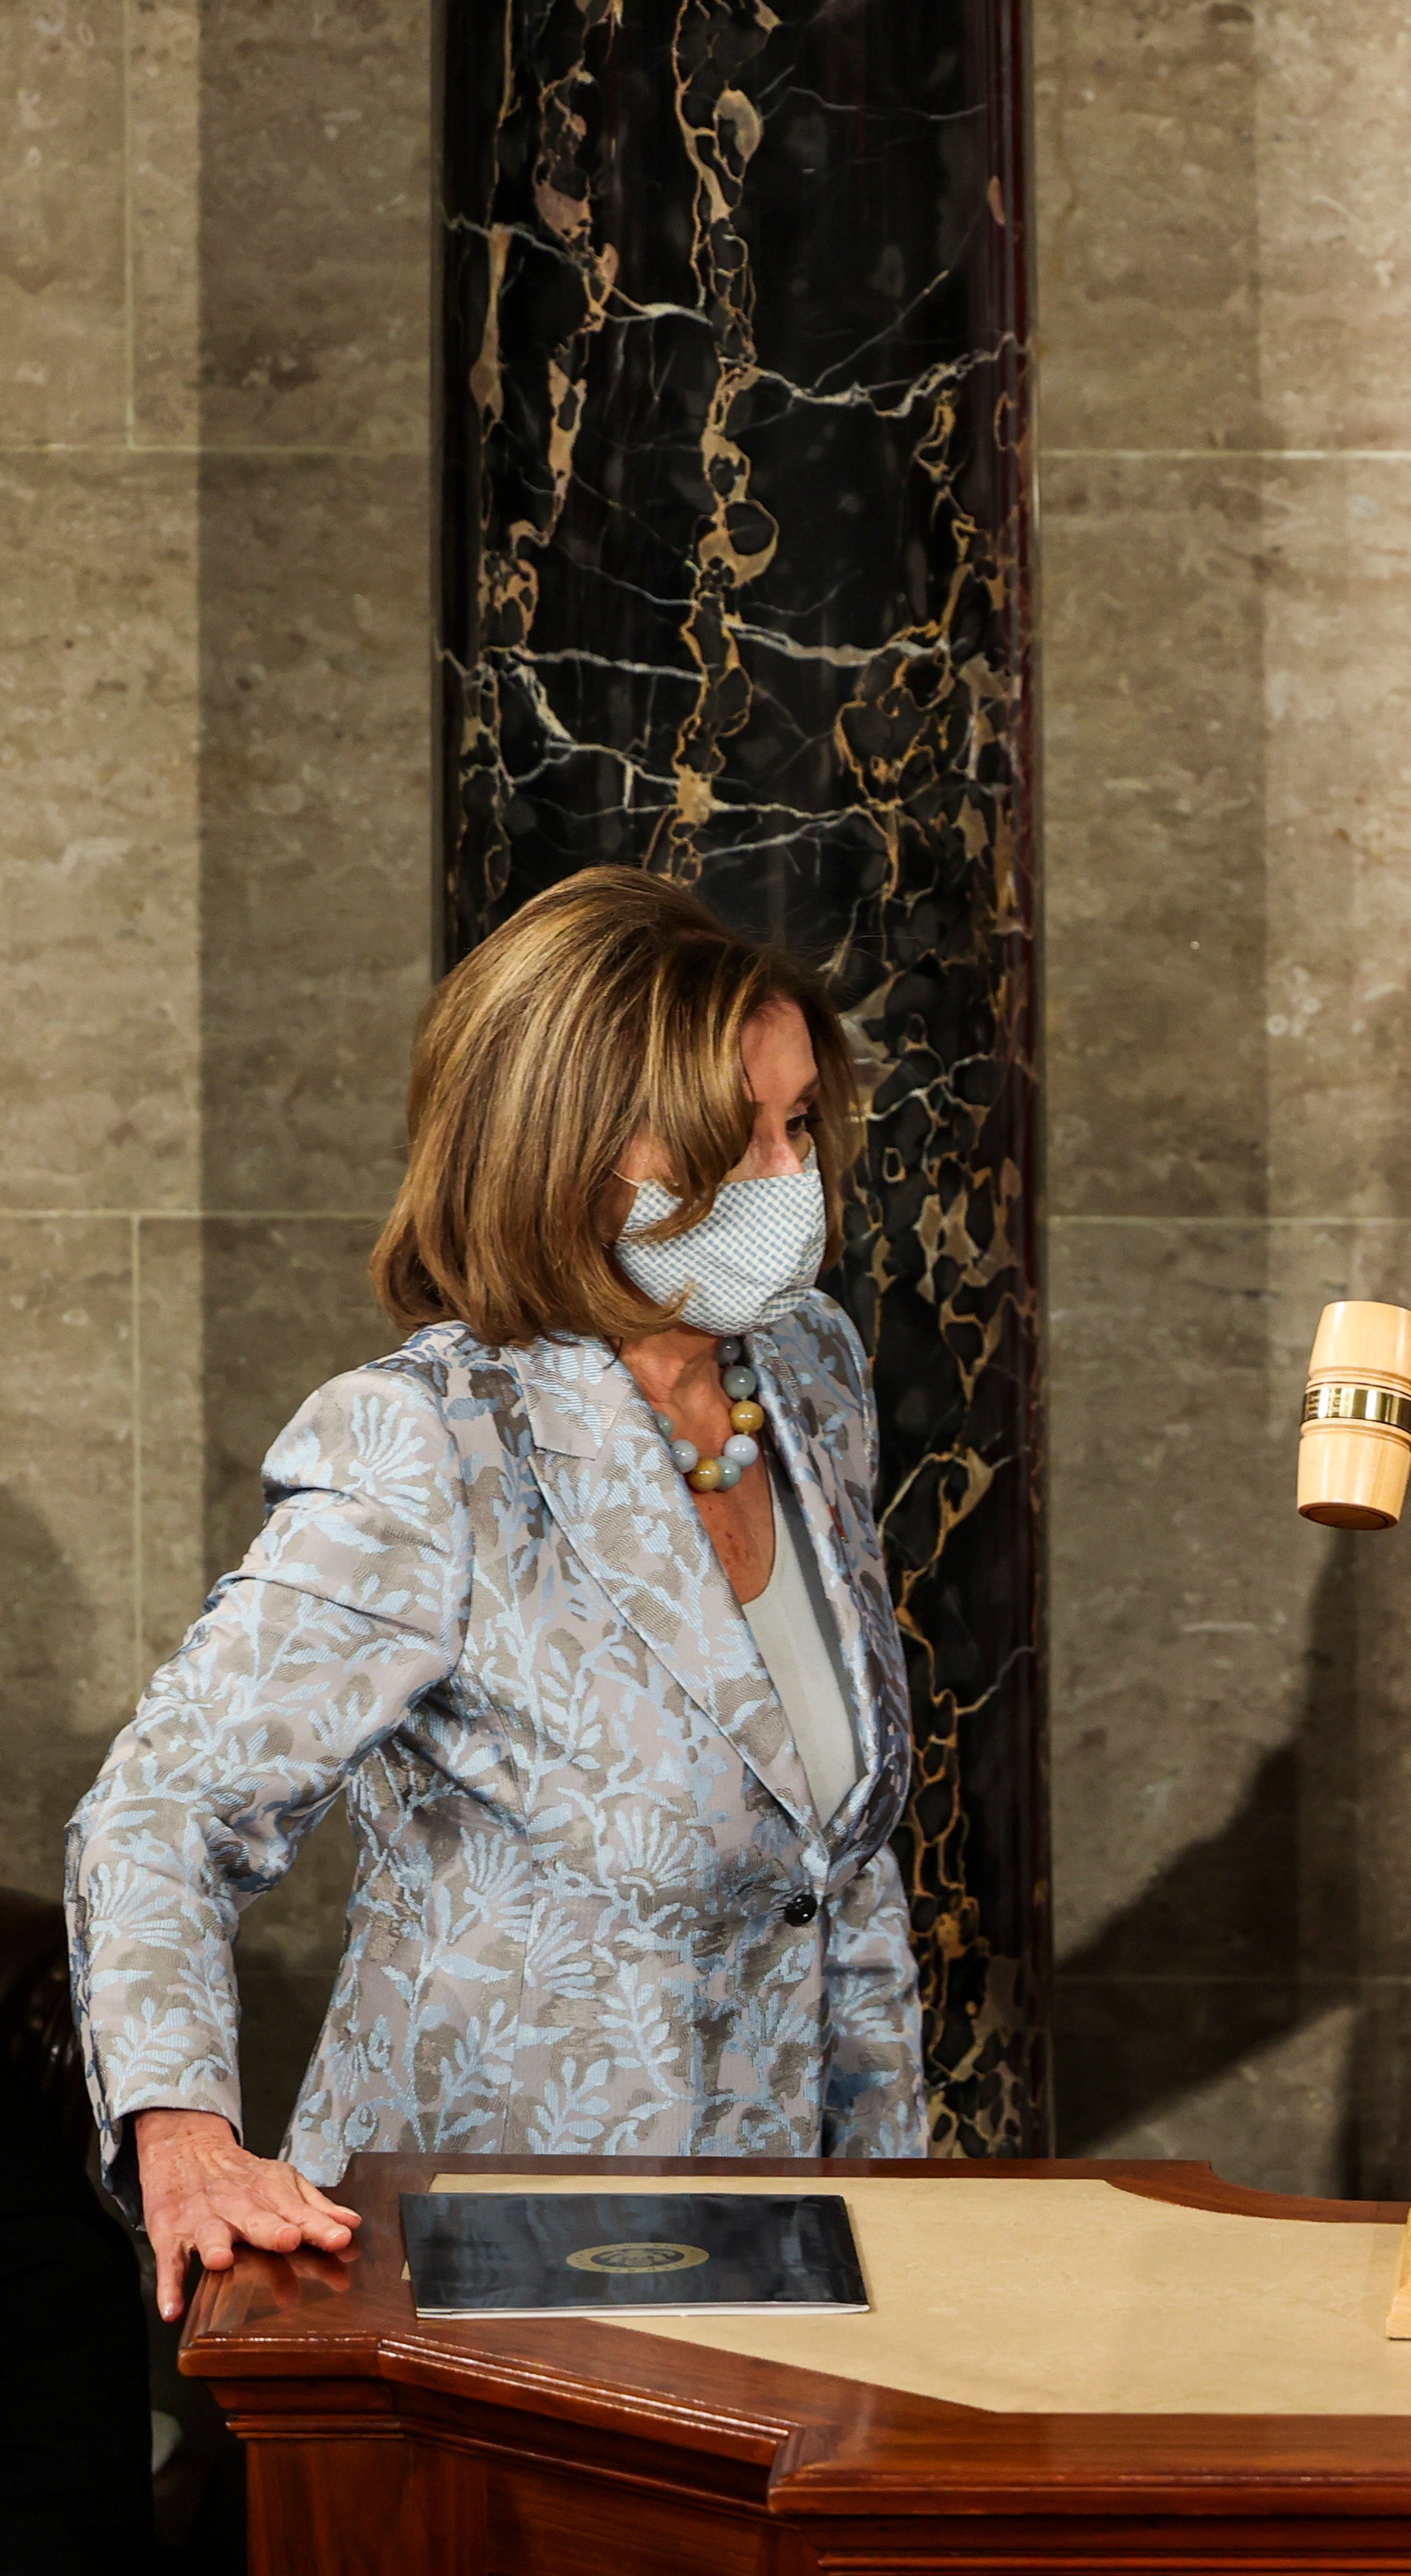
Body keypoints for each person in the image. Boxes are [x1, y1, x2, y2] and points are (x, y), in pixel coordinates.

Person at [66, 868, 922, 2318]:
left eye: (798, 1130)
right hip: (487, 2285)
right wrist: (186, 2141)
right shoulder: (429, 1442)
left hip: (808, 2257)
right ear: (569, 1150)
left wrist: (901, 2217)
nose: (792, 1187)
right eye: (732, 1144)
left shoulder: (811, 1373)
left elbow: (822, 1864)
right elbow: (162, 1809)